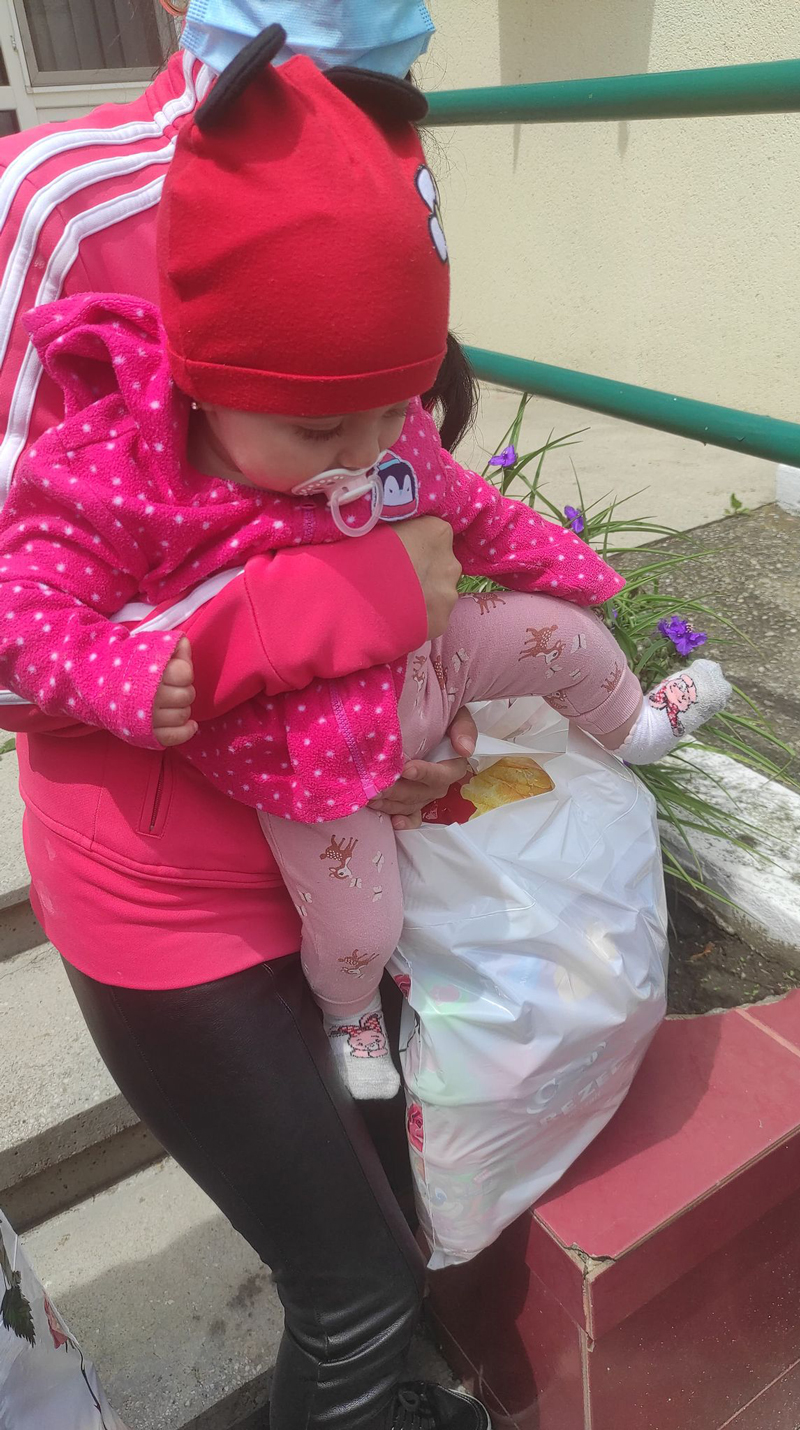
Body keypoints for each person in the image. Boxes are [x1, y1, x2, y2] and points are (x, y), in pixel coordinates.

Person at [0, 20, 731, 1133]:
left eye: (394, 410)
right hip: (298, 754)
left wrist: (577, 573)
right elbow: (25, 605)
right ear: (198, 379)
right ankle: (351, 1012)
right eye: (317, 430)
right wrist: (119, 668)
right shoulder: (120, 467)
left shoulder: (379, 418)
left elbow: (469, 508)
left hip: (418, 676)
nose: (362, 452)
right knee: (359, 919)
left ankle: (632, 722)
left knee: (560, 638)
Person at [0, 5, 495, 1430]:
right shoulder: (60, 206)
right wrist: (346, 607)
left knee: (393, 1215)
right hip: (172, 899)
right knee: (354, 1289)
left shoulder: (382, 150)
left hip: (343, 848)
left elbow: (406, 491)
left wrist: (407, 721)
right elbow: (26, 632)